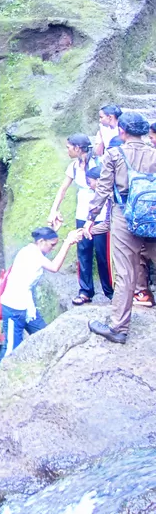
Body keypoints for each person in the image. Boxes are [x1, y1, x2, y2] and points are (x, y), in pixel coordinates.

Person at [0, 227, 81, 405]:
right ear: (41, 242)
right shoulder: (32, 254)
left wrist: (54, 227)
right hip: (14, 308)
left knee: (45, 336)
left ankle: (40, 377)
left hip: (28, 308)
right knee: (10, 350)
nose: (53, 248)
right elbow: (54, 267)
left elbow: (44, 244)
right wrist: (68, 242)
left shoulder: (33, 249)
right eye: (52, 244)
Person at [84, 112, 156, 343]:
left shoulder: (114, 154)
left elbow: (103, 190)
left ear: (122, 131)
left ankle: (118, 328)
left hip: (124, 217)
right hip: (153, 215)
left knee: (125, 272)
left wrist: (91, 217)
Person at [47, 134, 107, 305]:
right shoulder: (74, 166)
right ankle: (85, 291)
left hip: (101, 215)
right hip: (82, 214)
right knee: (83, 251)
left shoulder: (99, 163)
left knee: (102, 254)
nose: (67, 150)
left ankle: (110, 291)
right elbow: (63, 189)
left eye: (69, 147)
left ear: (78, 148)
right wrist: (53, 210)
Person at [81, 166, 114, 302]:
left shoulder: (113, 195)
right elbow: (108, 222)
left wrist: (89, 229)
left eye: (90, 182)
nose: (89, 186)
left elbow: (109, 223)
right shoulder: (110, 195)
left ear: (100, 181)